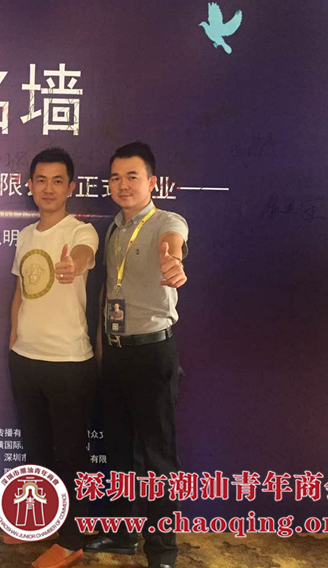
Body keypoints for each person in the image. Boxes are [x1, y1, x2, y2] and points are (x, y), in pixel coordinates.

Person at [84, 142, 188, 568]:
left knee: (158, 456)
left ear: (152, 182)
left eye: (132, 176)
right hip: (115, 354)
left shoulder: (166, 221)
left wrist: (173, 259)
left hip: (152, 352)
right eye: (115, 177)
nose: (123, 185)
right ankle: (123, 533)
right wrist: (101, 348)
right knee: (119, 449)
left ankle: (162, 550)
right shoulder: (112, 229)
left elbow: (173, 242)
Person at [8, 147, 98, 568]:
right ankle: (43, 522)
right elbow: (20, 292)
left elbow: (84, 256)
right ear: (29, 185)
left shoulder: (81, 231)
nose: (48, 188)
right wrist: (13, 340)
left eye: (57, 181)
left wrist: (72, 267)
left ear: (71, 187)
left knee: (71, 453)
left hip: (69, 362)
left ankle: (73, 538)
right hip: (25, 359)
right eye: (41, 180)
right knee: (37, 448)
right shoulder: (25, 236)